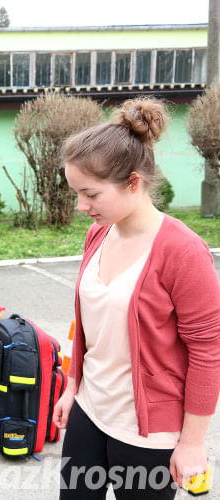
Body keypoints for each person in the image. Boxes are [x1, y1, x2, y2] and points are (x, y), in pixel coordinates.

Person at [53, 98, 220, 499]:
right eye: (76, 193)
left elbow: (207, 351)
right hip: (90, 411)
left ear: (133, 182)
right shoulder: (99, 233)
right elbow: (91, 327)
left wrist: (192, 442)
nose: (81, 206)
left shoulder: (183, 252)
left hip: (149, 433)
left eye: (91, 194)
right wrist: (72, 386)